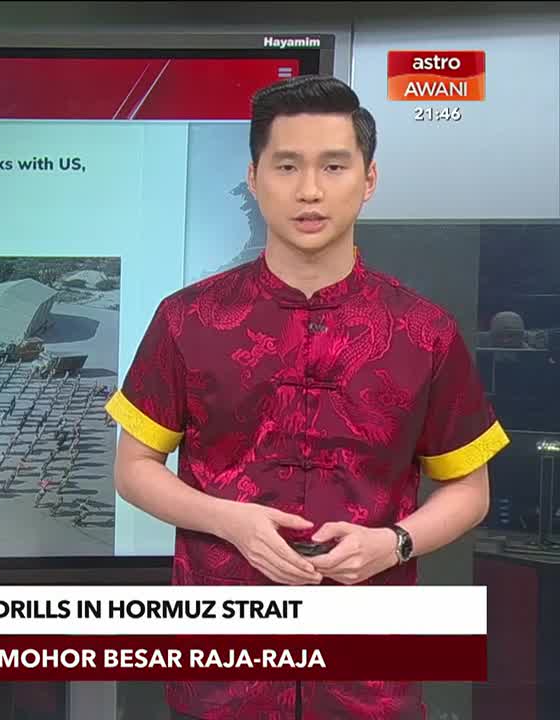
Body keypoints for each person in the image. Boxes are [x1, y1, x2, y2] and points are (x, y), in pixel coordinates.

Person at [106, 75, 509, 720]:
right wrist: (229, 520)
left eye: (334, 166)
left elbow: (469, 489)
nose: (310, 190)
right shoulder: (188, 319)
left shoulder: (422, 330)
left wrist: (394, 543)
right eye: (287, 165)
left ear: (368, 179)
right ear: (255, 176)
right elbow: (133, 469)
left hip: (372, 669)